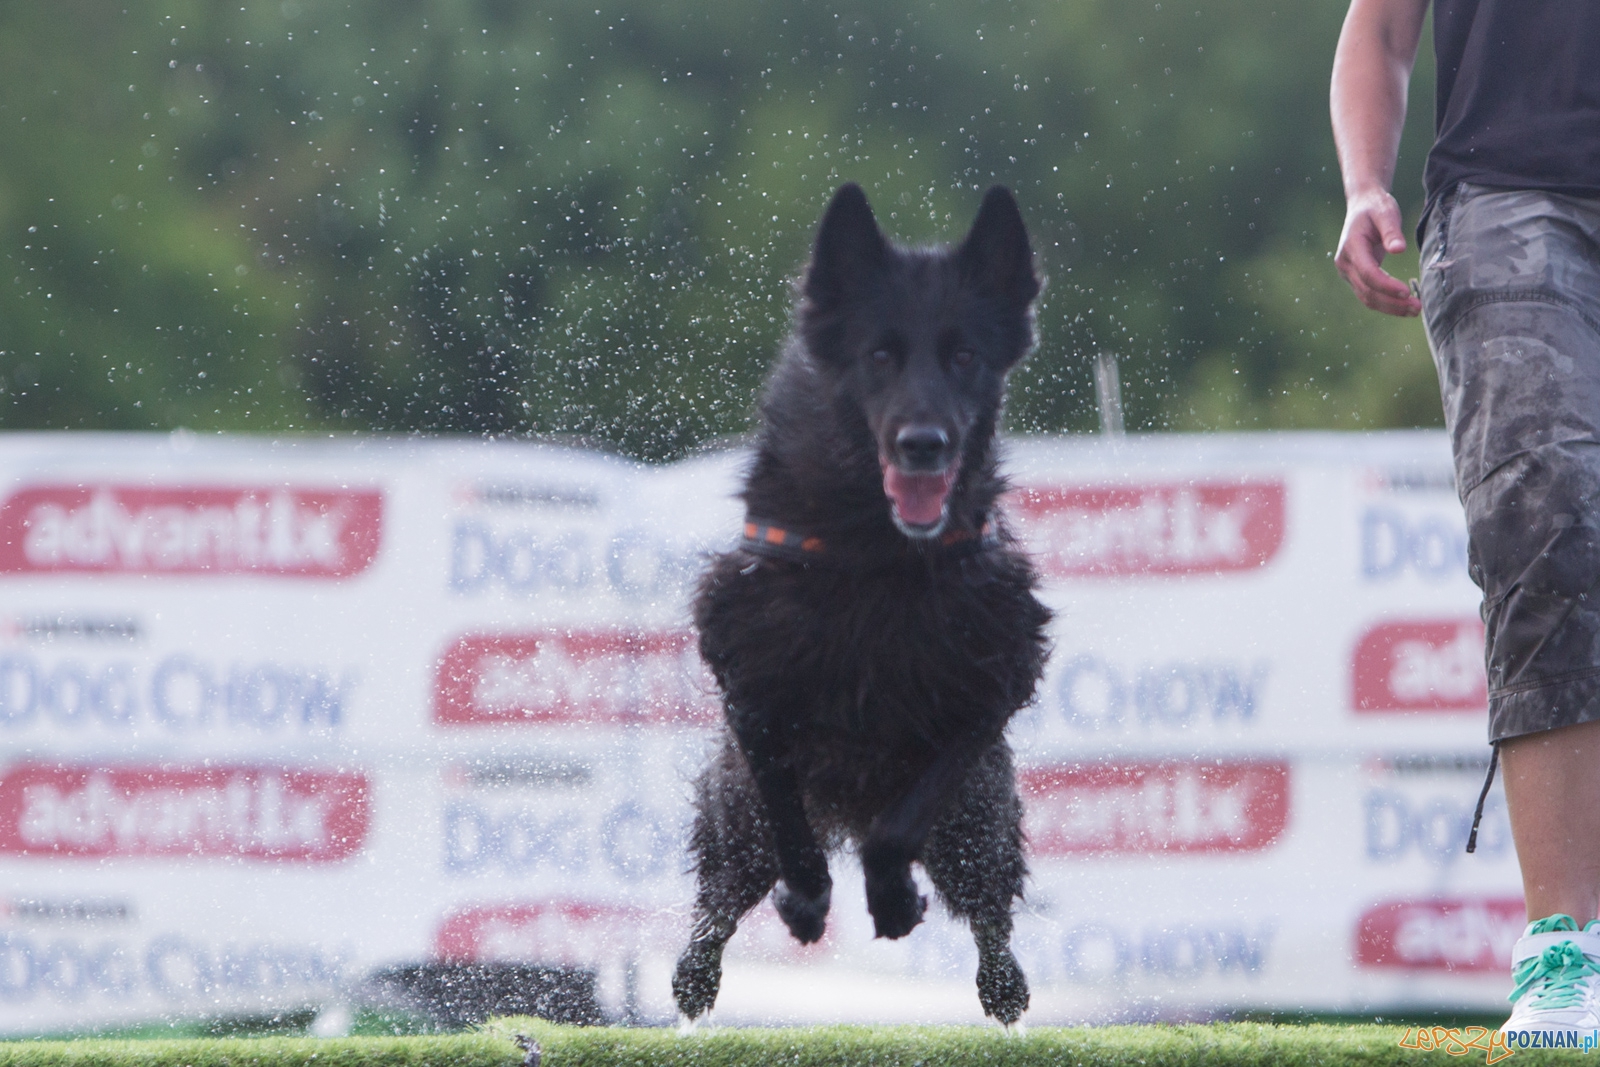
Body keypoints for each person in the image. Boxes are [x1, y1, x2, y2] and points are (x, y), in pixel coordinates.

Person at [1331, 0, 1600, 1035]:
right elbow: (1383, 28)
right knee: (1548, 535)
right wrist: (1364, 183)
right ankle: (1561, 947)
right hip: (1507, 203)